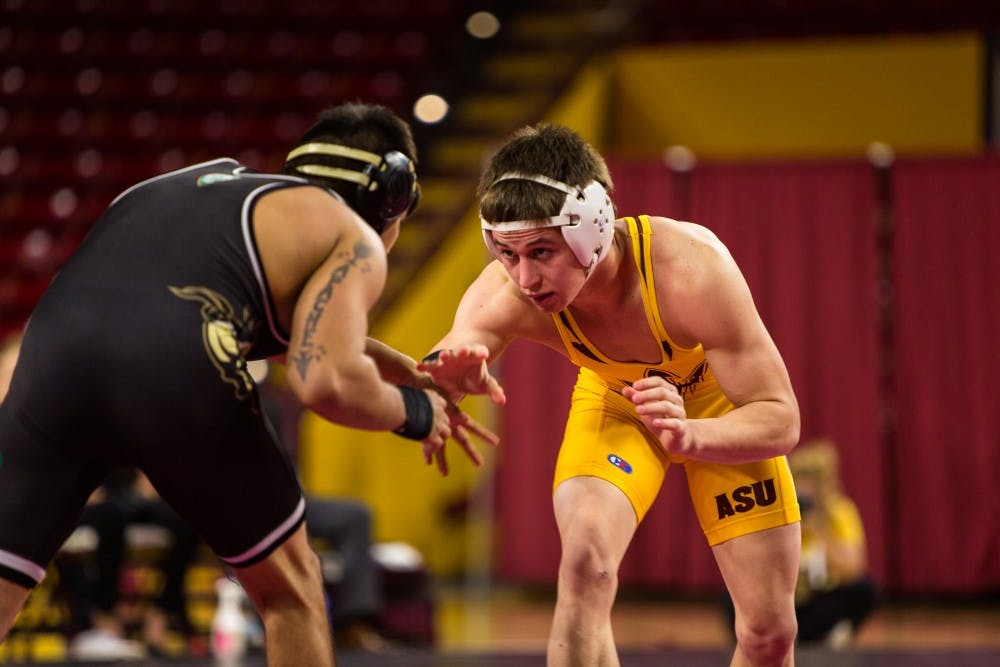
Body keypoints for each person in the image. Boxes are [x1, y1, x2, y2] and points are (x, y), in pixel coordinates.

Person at [0, 102, 497, 666]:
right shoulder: (352, 236)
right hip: (173, 364)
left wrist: (407, 370)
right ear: (393, 196)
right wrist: (418, 412)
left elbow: (280, 333)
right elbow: (324, 381)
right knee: (291, 589)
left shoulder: (190, 186)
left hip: (52, 354)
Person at [418, 124, 802, 666]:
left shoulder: (691, 271)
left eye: (541, 251)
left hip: (720, 406)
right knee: (583, 563)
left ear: (592, 228)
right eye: (506, 252)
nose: (525, 277)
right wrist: (440, 383)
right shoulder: (505, 292)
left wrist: (690, 434)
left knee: (769, 632)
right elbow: (451, 356)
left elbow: (780, 419)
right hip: (617, 400)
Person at [786, 438, 879, 646]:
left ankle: (824, 633)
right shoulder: (784, 513)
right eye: (800, 481)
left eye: (810, 483)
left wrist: (819, 531)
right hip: (788, 600)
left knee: (865, 590)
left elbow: (853, 569)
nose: (805, 490)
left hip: (821, 597)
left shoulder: (840, 512)